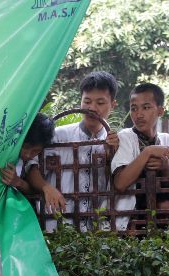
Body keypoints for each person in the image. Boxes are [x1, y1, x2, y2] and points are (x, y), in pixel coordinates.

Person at [26, 71, 121, 230]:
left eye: (100, 102)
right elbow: (31, 165)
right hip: (57, 223)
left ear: (113, 105)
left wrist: (113, 154)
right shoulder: (59, 136)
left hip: (98, 229)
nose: (92, 108)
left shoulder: (115, 142)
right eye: (87, 101)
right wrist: (46, 187)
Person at [111, 82, 169, 229]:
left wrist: (164, 167)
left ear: (160, 111)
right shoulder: (125, 137)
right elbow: (120, 184)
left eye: (146, 107)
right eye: (134, 109)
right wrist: (148, 152)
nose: (139, 114)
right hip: (130, 221)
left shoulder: (166, 139)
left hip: (161, 219)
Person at [0, 113, 56, 196]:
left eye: (36, 151)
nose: (28, 155)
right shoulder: (4, 152)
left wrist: (17, 182)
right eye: (25, 147)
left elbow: (32, 192)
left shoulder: (31, 162)